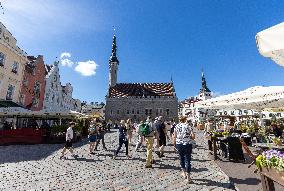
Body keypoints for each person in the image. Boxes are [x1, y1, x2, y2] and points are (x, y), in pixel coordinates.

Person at [173, 116, 195, 183]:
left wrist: (174, 145)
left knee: (181, 158)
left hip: (179, 144)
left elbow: (174, 136)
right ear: (185, 120)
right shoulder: (188, 126)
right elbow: (193, 137)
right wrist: (189, 136)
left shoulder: (177, 126)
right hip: (187, 144)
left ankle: (184, 173)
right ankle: (188, 178)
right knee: (188, 160)